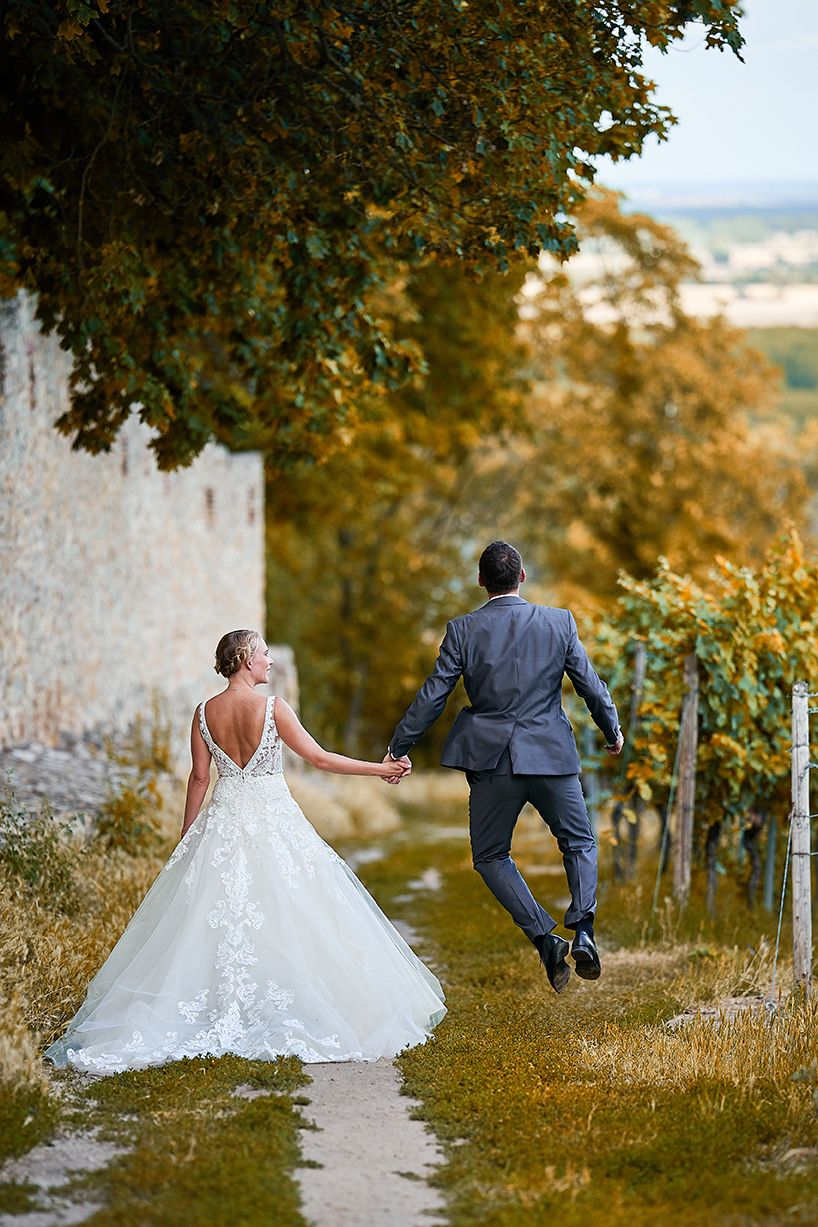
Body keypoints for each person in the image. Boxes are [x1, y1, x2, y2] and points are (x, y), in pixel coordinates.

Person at [46, 630, 445, 1075]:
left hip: (222, 819)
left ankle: (220, 1002)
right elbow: (320, 760)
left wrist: (187, 837)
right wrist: (381, 769)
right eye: (264, 654)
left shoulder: (203, 713)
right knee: (291, 907)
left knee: (214, 914)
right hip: (275, 820)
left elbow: (200, 779)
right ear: (244, 659)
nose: (270, 662)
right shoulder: (274, 708)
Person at [385, 541, 623, 993]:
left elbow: (434, 694)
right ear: (523, 576)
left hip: (493, 762)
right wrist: (611, 728)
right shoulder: (560, 622)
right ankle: (585, 931)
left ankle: (545, 938)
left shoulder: (462, 630)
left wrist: (400, 745)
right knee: (579, 842)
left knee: (491, 855)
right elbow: (589, 685)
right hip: (552, 756)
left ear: (481, 581)